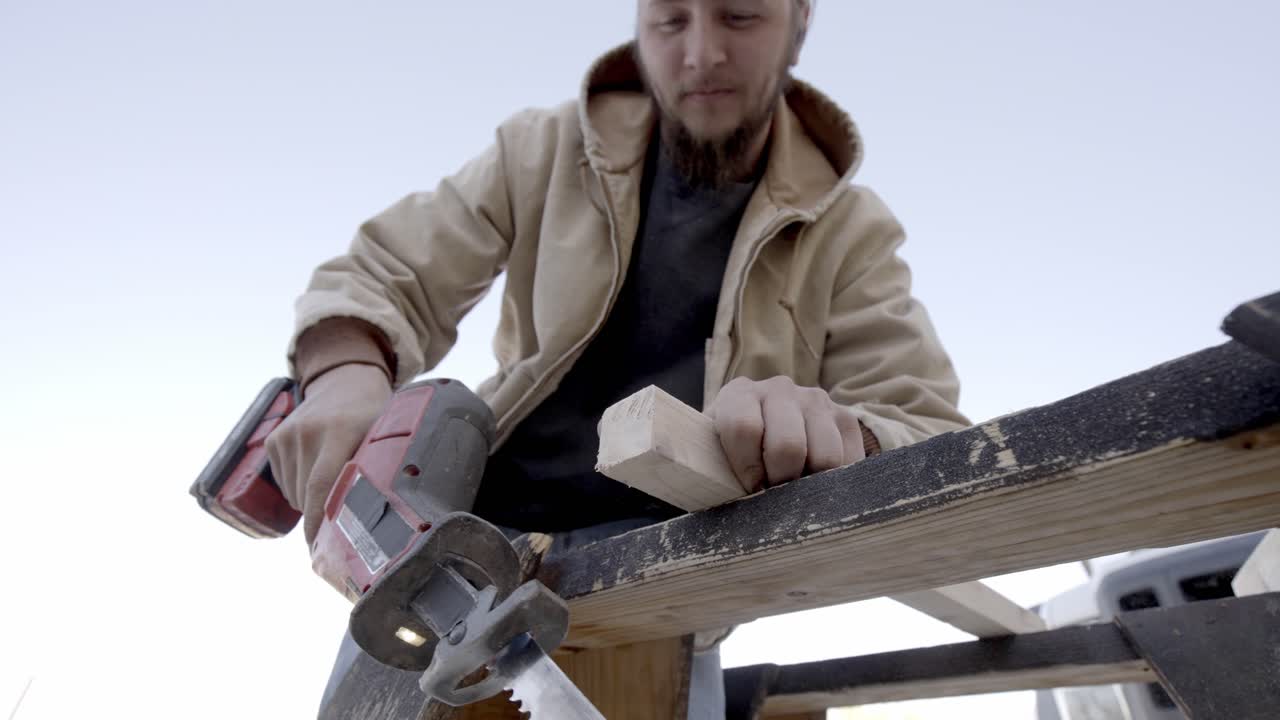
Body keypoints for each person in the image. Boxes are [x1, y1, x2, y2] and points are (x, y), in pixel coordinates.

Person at [269, 0, 969, 716]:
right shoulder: (539, 150)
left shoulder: (853, 233)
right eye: (670, 20)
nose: (700, 53)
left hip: (670, 573)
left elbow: (926, 425)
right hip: (463, 543)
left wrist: (843, 433)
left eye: (739, 16)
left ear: (800, 23)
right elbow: (384, 273)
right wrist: (344, 373)